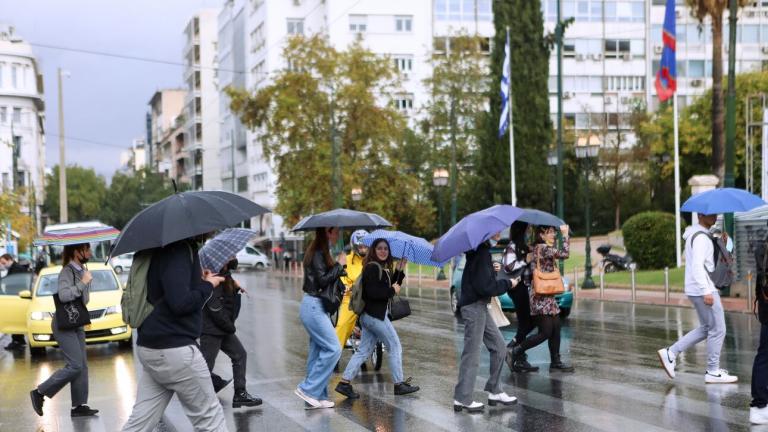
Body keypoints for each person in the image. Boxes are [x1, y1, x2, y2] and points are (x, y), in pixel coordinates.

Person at [122, 236, 227, 432]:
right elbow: (180, 303)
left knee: (139, 423)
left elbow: (166, 291)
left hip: (150, 348)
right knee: (211, 420)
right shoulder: (178, 251)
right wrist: (208, 285)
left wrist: (197, 280)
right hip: (175, 350)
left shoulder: (156, 249)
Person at [657, 213, 737, 384]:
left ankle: (671, 353)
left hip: (700, 288)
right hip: (704, 289)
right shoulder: (701, 238)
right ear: (700, 215)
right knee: (718, 329)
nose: (714, 216)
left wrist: (725, 242)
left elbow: (711, 260)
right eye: (710, 214)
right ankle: (712, 370)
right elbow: (697, 266)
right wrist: (706, 291)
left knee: (709, 328)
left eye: (716, 213)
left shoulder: (701, 234)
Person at [335, 238, 420, 399]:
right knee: (395, 346)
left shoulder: (380, 268)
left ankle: (344, 383)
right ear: (373, 250)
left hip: (369, 316)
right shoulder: (372, 268)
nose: (383, 251)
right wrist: (392, 291)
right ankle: (398, 384)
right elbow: (375, 293)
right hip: (376, 316)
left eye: (386, 249)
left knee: (363, 351)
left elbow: (391, 284)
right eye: (379, 248)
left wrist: (400, 270)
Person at [29, 243, 98, 417]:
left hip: (77, 321)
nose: (90, 252)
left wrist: (85, 280)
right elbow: (64, 295)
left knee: (82, 365)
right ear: (77, 252)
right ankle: (39, 392)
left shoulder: (83, 270)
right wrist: (83, 283)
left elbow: (85, 300)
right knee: (75, 365)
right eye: (87, 249)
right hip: (64, 323)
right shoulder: (66, 272)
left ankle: (79, 406)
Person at [453, 232, 517, 413]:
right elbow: (485, 287)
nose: (499, 234)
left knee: (499, 346)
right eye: (496, 232)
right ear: (486, 234)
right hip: (474, 307)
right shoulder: (481, 254)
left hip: (479, 306)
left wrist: (492, 269)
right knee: (471, 354)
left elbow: (481, 280)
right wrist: (508, 284)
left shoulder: (481, 253)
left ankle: (495, 391)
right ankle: (462, 398)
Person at [509, 225, 574, 373]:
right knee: (545, 332)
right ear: (541, 235)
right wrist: (565, 235)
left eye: (553, 232)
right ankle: (516, 350)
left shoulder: (541, 248)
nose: (552, 235)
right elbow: (564, 254)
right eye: (549, 233)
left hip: (548, 294)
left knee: (556, 327)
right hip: (540, 296)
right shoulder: (542, 248)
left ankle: (556, 362)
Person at [199, 258, 262, 409]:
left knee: (240, 354)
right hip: (211, 329)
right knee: (205, 366)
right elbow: (214, 307)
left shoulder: (226, 275)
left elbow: (228, 303)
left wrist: (235, 287)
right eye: (230, 255)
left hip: (222, 327)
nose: (233, 256)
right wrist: (229, 327)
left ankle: (240, 394)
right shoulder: (212, 276)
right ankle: (199, 400)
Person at [296, 227, 346, 409]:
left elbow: (325, 279)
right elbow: (322, 281)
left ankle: (317, 396)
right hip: (313, 306)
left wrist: (338, 270)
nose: (338, 235)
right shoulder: (317, 252)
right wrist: (339, 266)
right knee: (334, 348)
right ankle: (307, 389)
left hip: (316, 306)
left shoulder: (320, 252)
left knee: (317, 353)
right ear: (327, 232)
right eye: (336, 232)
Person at [501, 221, 538, 373]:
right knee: (526, 322)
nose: (529, 231)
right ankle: (513, 350)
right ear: (521, 230)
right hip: (518, 289)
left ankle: (517, 353)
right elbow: (508, 266)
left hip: (525, 288)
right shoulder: (512, 246)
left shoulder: (522, 247)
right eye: (527, 229)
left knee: (529, 322)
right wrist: (525, 260)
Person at [334, 230, 369, 368]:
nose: (363, 249)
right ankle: (334, 355)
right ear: (354, 247)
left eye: (365, 246)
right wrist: (346, 286)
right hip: (351, 298)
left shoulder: (372, 259)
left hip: (370, 297)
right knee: (342, 325)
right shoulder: (347, 259)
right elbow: (341, 275)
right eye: (360, 247)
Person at [751, 235, 768, 424]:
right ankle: (760, 405)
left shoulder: (761, 247)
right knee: (764, 355)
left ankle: (760, 403)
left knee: (764, 354)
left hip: (765, 307)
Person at [1, 253, 30, 350]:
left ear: (9, 259)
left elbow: (15, 282)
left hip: (18, 297)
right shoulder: (13, 267)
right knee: (14, 318)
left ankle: (18, 341)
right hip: (15, 297)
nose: (3, 264)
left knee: (16, 319)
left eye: (3, 262)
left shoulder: (17, 268)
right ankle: (18, 340)